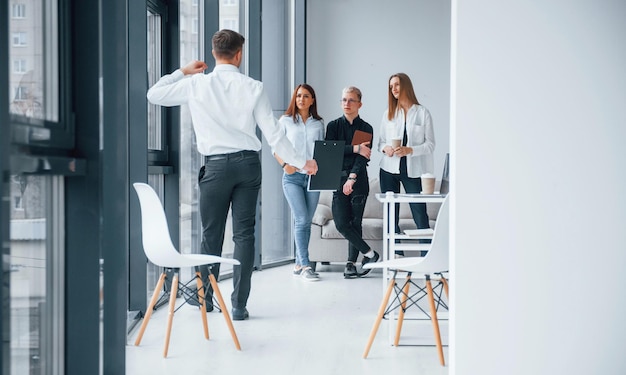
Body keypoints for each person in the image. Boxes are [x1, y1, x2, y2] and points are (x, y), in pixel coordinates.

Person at [146, 29, 318, 321]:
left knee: (211, 235)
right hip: (248, 165)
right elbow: (274, 134)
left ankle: (205, 299)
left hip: (214, 167)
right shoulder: (254, 87)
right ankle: (238, 305)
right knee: (244, 235)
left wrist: (182, 72)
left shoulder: (196, 85)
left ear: (214, 54)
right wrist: (303, 162)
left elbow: (154, 95)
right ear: (239, 54)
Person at [325, 86, 379, 278]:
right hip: (337, 179)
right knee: (341, 223)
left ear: (359, 104)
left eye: (351, 100)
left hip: (358, 180)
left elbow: (362, 158)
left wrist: (352, 177)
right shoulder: (332, 126)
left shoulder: (366, 128)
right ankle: (371, 254)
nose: (346, 104)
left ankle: (351, 263)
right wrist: (355, 147)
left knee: (356, 223)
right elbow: (330, 152)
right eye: (344, 100)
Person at [378, 73, 435, 251]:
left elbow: (430, 145)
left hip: (413, 170)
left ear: (406, 86)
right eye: (391, 86)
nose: (393, 89)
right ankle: (397, 257)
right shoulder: (388, 113)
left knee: (419, 213)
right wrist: (385, 148)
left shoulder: (422, 112)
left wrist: (410, 150)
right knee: (390, 215)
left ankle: (427, 256)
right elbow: (380, 142)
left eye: (397, 85)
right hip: (388, 169)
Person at [273, 84, 325, 281]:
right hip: (292, 178)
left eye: (306, 96)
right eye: (298, 96)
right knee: (302, 219)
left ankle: (297, 263)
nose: (301, 99)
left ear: (312, 100)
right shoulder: (285, 121)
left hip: (313, 178)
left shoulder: (318, 124)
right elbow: (275, 146)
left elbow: (321, 151)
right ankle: (305, 265)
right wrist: (285, 164)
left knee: (305, 222)